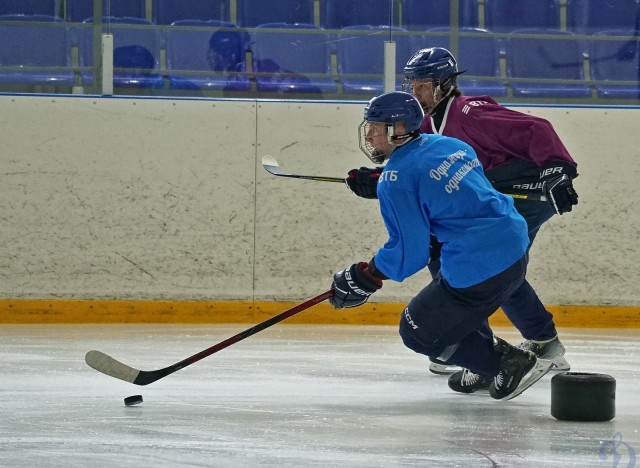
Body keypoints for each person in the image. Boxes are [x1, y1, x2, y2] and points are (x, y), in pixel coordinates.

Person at [345, 47, 577, 391]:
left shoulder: (469, 112)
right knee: (471, 263)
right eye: (412, 85)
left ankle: (540, 343)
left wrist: (558, 169)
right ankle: (487, 352)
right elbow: (421, 170)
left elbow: (537, 129)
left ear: (443, 84)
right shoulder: (424, 122)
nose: (415, 93)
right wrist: (378, 181)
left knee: (489, 265)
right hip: (487, 198)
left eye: (422, 85)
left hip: (524, 191)